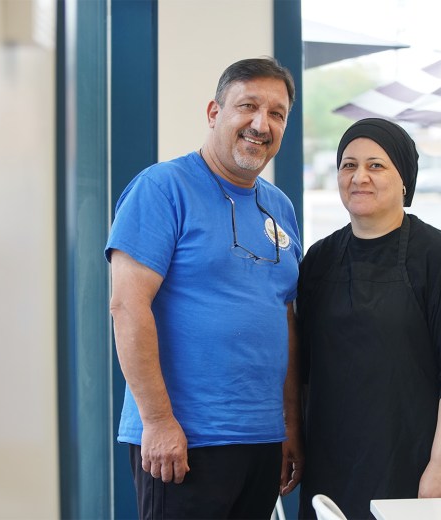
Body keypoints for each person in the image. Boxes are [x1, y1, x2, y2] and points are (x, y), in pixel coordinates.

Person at [106, 57, 304, 520]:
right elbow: (127, 304)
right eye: (248, 106)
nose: (261, 124)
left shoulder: (279, 207)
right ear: (215, 113)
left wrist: (289, 423)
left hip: (260, 440)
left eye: (276, 114)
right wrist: (156, 421)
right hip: (185, 440)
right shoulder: (162, 188)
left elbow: (285, 319)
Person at [296, 118, 441, 519]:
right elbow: (303, 368)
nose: (359, 177)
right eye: (348, 165)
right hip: (331, 465)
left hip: (416, 464)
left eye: (376, 165)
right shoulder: (318, 260)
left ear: (405, 180)